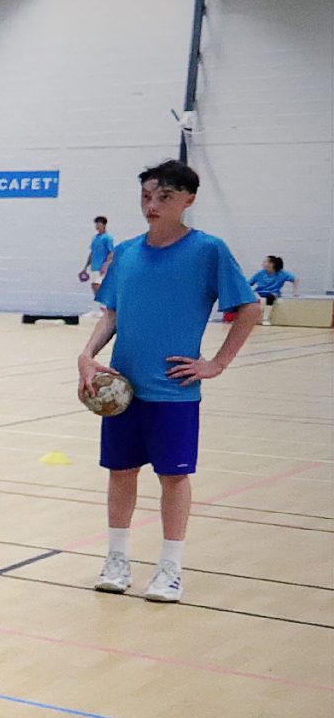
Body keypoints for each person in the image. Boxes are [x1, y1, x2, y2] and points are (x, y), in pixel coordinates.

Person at [76, 159, 261, 604]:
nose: (152, 205)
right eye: (146, 196)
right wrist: (87, 355)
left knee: (173, 478)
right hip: (122, 390)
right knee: (120, 473)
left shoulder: (208, 250)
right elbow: (112, 314)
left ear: (188, 200)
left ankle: (170, 568)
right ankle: (117, 560)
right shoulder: (126, 252)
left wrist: (217, 363)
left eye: (164, 197)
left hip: (174, 392)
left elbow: (249, 309)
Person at [80, 215, 115, 296]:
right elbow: (92, 253)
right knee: (94, 286)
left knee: (98, 286)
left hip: (102, 267)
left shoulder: (108, 238)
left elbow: (111, 252)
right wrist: (85, 267)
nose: (97, 227)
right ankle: (102, 302)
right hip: (94, 267)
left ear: (104, 225)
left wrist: (106, 264)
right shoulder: (95, 238)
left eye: (99, 225)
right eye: (96, 225)